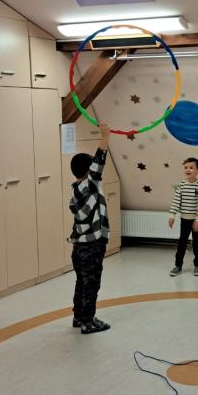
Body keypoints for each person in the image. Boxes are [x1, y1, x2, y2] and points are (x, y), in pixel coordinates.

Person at [68, 123, 112, 335]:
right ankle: (88, 321)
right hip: (92, 246)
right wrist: (105, 136)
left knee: (82, 282)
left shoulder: (76, 190)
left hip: (79, 247)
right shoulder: (89, 185)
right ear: (88, 171)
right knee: (91, 284)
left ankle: (79, 316)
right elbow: (98, 162)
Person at [168, 157, 198, 277]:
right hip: (184, 219)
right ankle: (178, 265)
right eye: (186, 167)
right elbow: (176, 200)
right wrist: (172, 215)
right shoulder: (181, 185)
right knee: (182, 243)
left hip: (196, 220)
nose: (188, 170)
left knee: (197, 244)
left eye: (191, 167)